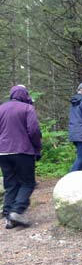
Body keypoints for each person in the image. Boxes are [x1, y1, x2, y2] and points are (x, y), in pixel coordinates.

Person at [0, 85, 42, 229]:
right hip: (22, 151)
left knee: (11, 184)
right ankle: (17, 211)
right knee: (27, 183)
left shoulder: (1, 108)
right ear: (25, 95)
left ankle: (8, 215)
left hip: (3, 152)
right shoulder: (27, 108)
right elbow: (34, 130)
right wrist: (37, 148)